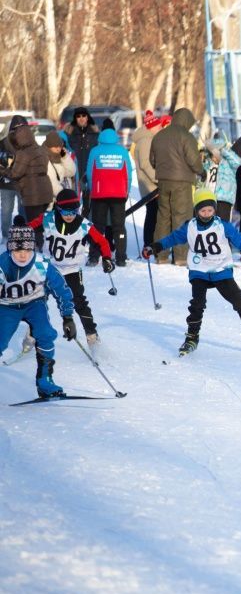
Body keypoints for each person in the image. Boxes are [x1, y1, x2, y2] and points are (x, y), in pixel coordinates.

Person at [142, 188, 241, 356]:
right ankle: (192, 337)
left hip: (221, 270)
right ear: (197, 210)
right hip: (199, 271)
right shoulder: (189, 227)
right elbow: (173, 238)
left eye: (210, 210)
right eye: (203, 210)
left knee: (240, 302)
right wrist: (155, 247)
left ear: (214, 209)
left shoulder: (222, 226)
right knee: (197, 305)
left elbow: (238, 238)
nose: (206, 214)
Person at [0, 218, 77, 398]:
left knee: (45, 334)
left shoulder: (42, 265)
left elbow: (62, 290)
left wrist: (68, 317)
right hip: (7, 306)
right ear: (10, 248)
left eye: (28, 249)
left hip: (34, 304)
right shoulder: (3, 264)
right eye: (18, 249)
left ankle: (45, 381)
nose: (23, 255)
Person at [28, 189, 112, 345]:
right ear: (58, 209)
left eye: (73, 211)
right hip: (48, 269)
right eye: (66, 211)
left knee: (79, 302)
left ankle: (92, 335)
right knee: (38, 300)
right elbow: (27, 229)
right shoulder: (48, 219)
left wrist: (107, 258)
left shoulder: (85, 226)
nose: (69, 215)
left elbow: (102, 241)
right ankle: (33, 334)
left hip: (71, 270)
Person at [150, 108, 204, 266]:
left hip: (163, 182)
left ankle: (161, 255)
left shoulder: (159, 136)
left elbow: (152, 160)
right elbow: (194, 160)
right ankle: (180, 257)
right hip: (182, 183)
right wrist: (202, 171)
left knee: (163, 218)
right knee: (181, 218)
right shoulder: (186, 137)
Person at [85, 127, 134, 266]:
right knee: (119, 227)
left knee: (98, 227)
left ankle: (94, 256)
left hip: (99, 194)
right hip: (118, 195)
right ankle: (121, 257)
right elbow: (128, 175)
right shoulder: (123, 151)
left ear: (100, 138)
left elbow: (89, 174)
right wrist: (126, 192)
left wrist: (92, 189)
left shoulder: (95, 151)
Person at [1, 117, 54, 247]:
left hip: (30, 190)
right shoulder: (39, 148)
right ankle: (37, 243)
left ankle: (32, 244)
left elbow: (15, 173)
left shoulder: (24, 151)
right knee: (36, 220)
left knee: (30, 219)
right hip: (41, 190)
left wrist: (3, 170)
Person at [131, 111, 165, 246]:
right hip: (150, 185)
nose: (161, 128)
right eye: (158, 126)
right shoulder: (146, 141)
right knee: (152, 215)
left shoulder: (149, 139)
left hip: (150, 184)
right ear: (152, 127)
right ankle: (149, 243)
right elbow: (146, 164)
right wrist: (159, 179)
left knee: (153, 214)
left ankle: (150, 242)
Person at [202, 132, 241, 221]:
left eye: (217, 153)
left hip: (224, 198)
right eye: (213, 154)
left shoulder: (227, 163)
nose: (215, 157)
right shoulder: (208, 164)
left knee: (223, 226)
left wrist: (223, 149)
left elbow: (237, 162)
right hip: (208, 198)